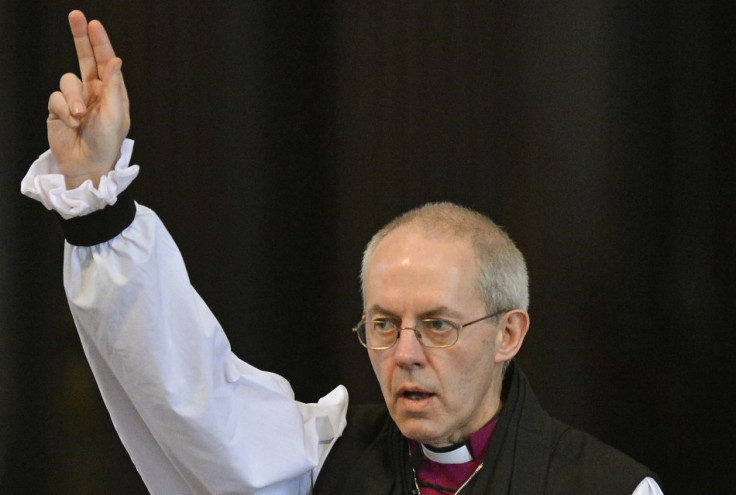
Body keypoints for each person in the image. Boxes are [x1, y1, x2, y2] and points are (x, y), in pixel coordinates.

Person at [21, 10, 663, 495]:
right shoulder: (326, 462)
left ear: (508, 333)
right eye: (384, 325)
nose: (404, 354)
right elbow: (192, 395)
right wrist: (95, 201)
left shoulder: (609, 488)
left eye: (438, 325)